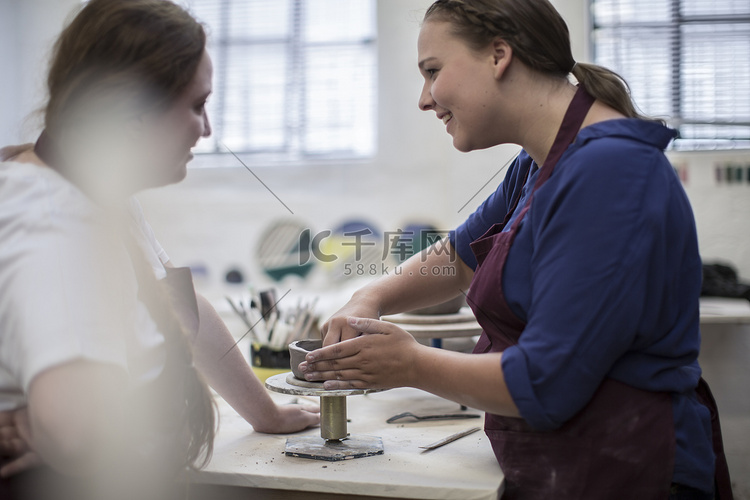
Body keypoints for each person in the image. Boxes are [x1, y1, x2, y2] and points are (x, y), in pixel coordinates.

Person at [297, 1, 732, 499]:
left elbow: (545, 381)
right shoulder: (536, 164)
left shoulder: (611, 172)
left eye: (433, 71)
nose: (425, 98)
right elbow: (460, 254)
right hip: (563, 465)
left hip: (628, 473)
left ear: (499, 55)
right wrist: (370, 298)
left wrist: (410, 364)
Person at [0, 0, 318, 498]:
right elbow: (77, 434)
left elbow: (183, 310)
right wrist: (42, 425)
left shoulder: (97, 190)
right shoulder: (54, 220)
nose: (206, 129)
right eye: (196, 105)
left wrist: (267, 414)